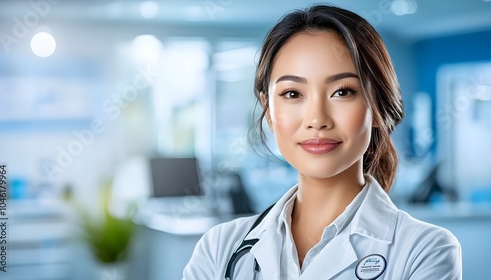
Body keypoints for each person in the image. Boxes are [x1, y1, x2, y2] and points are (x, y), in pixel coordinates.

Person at [183, 4, 461, 280]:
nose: (316, 119)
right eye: (292, 94)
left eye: (342, 92)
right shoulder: (218, 249)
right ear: (268, 110)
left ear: (377, 106)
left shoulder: (425, 251)